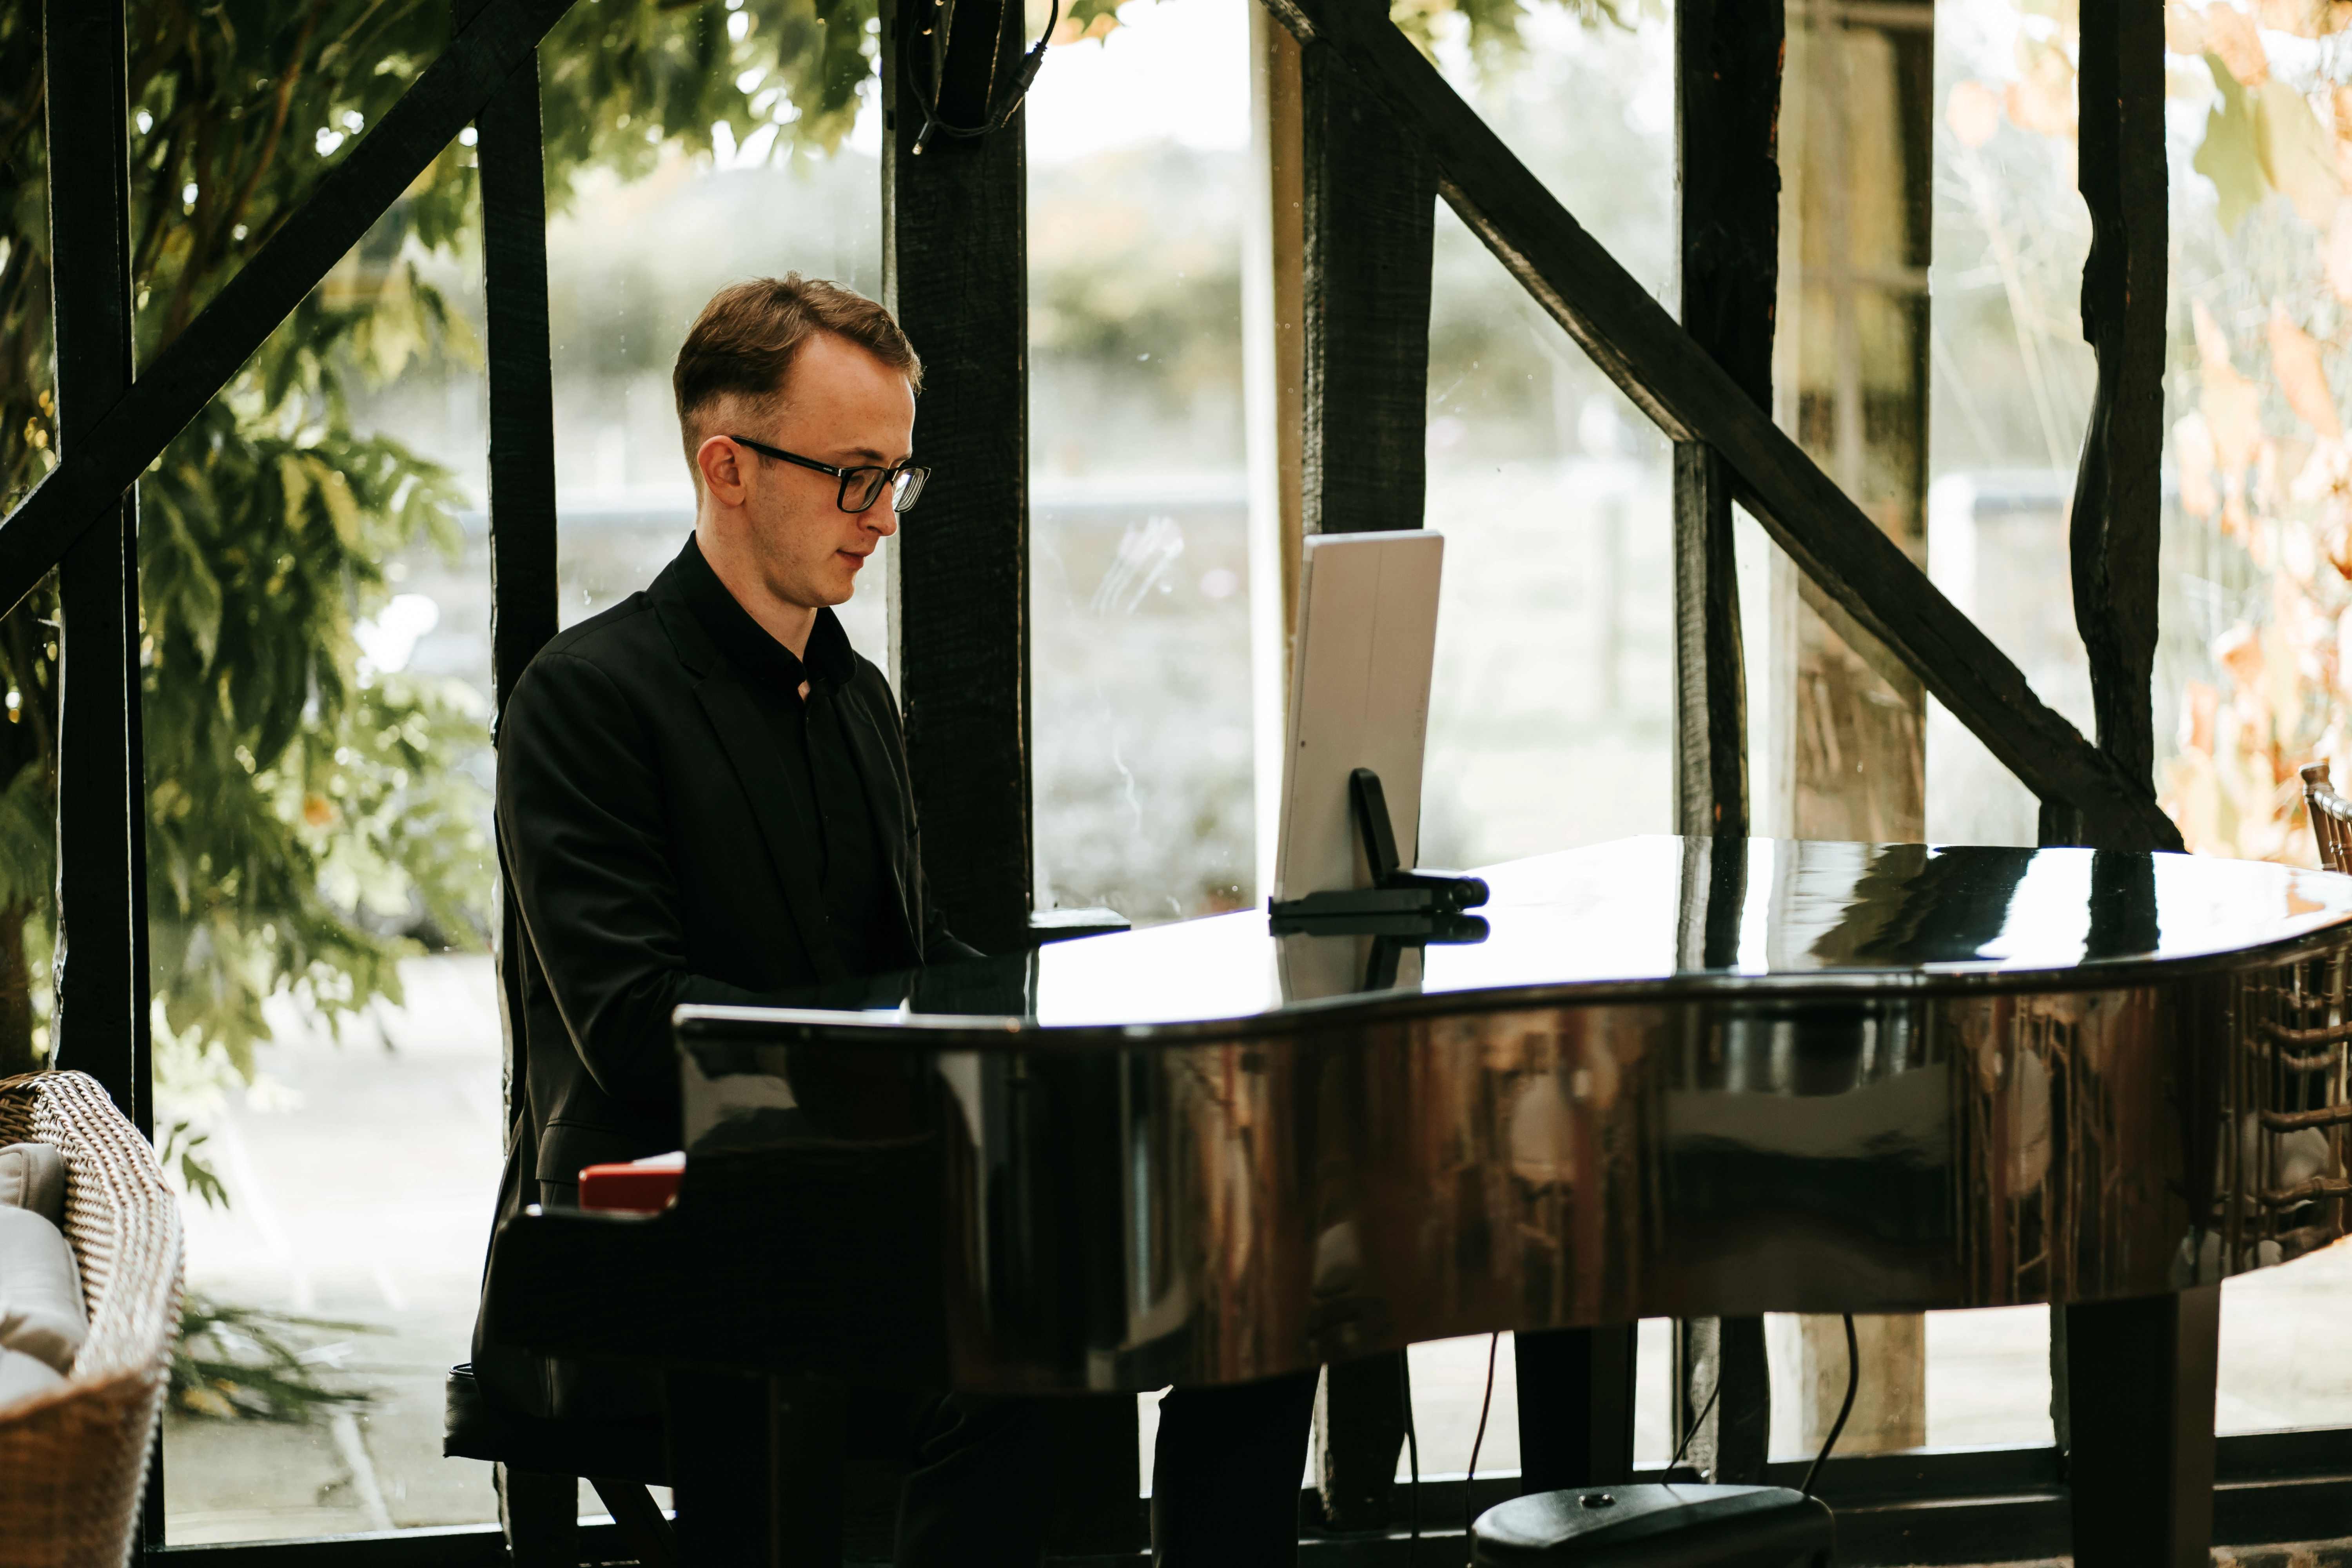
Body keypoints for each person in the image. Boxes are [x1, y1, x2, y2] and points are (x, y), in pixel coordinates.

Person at [470, 274, 1316, 1565]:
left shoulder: (856, 696)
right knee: (1032, 1356)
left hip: (862, 1214)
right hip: (655, 1242)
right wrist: (937, 1083)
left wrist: (1103, 1009)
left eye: (896, 479)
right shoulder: (584, 699)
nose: (882, 518)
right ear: (727, 466)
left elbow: (912, 970)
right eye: (854, 477)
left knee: (1255, 1294)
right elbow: (640, 1036)